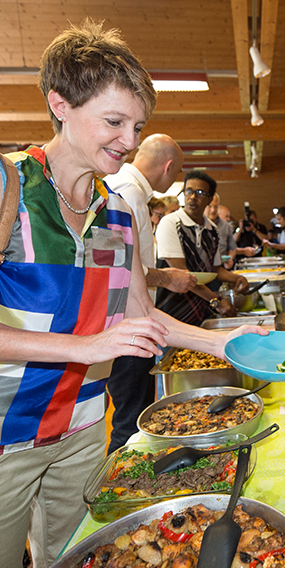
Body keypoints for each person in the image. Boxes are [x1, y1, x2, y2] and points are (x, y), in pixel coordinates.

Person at [0, 20, 265, 568]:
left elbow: (140, 316)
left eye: (138, 126)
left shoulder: (116, 212)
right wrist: (82, 347)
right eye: (114, 122)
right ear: (60, 105)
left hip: (78, 431)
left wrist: (227, 342)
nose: (127, 140)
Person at [102, 133, 196, 454]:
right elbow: (122, 268)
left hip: (129, 324)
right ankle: (123, 492)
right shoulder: (128, 192)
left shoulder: (126, 187)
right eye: (178, 172)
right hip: (127, 327)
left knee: (136, 414)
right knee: (131, 422)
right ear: (168, 168)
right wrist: (167, 277)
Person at [155, 170, 250, 324]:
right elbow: (182, 274)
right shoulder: (170, 223)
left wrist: (238, 278)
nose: (193, 197)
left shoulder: (212, 230)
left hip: (200, 309)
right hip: (172, 311)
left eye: (200, 192)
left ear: (209, 199)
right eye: (189, 191)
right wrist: (216, 300)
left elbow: (215, 269)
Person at [205, 194, 237, 269]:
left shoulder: (226, 226)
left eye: (215, 206)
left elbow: (232, 248)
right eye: (209, 206)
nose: (213, 210)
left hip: (222, 267)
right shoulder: (196, 225)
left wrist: (230, 259)